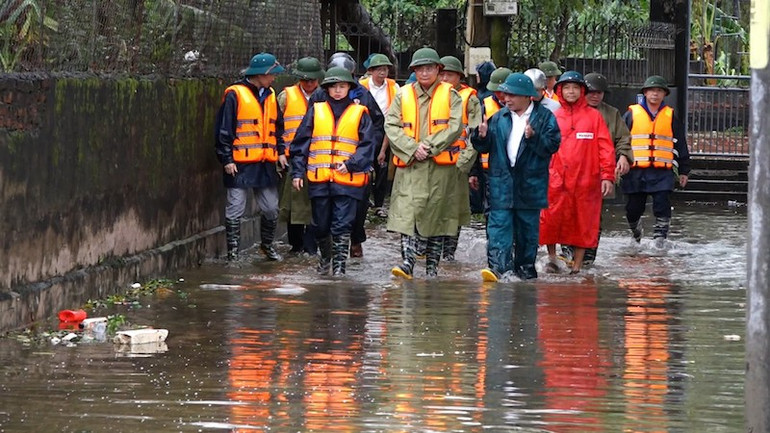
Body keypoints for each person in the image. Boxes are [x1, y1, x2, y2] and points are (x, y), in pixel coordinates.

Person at [471, 73, 561, 282]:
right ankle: (499, 270)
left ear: (526, 96)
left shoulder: (544, 118)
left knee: (527, 234)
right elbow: (483, 147)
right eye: (505, 95)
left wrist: (534, 137)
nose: (506, 99)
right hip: (501, 184)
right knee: (498, 228)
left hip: (530, 186)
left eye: (512, 95)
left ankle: (525, 271)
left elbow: (552, 146)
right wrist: (480, 136)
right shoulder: (498, 118)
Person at [385, 47, 463, 279]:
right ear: (414, 71)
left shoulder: (451, 95)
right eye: (420, 69)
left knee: (437, 216)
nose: (425, 73)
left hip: (439, 168)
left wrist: (428, 147)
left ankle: (431, 268)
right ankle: (407, 262)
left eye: (430, 68)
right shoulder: (403, 94)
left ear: (438, 70)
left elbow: (454, 126)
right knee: (406, 213)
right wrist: (412, 148)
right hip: (410, 164)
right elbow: (391, 125)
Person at [290, 67, 376, 275]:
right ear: (326, 89)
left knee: (342, 224)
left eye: (342, 86)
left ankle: (339, 268)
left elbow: (368, 145)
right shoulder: (316, 110)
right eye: (333, 87)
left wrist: (351, 164)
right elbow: (300, 143)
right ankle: (325, 259)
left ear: (349, 88)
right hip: (320, 178)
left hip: (348, 179)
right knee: (320, 225)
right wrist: (297, 172)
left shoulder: (360, 112)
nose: (337, 90)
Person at [538, 71, 616, 274]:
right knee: (551, 219)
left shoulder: (594, 117)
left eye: (575, 88)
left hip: (586, 181)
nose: (571, 92)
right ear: (559, 91)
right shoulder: (553, 116)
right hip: (555, 179)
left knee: (584, 221)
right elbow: (543, 147)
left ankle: (577, 267)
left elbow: (605, 148)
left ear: (581, 91)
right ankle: (553, 259)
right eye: (566, 88)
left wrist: (607, 176)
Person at [309, 52, 385, 258]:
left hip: (355, 165)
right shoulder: (319, 96)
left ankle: (356, 240)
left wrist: (365, 155)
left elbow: (376, 125)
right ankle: (326, 254)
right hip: (324, 168)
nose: (338, 89)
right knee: (322, 215)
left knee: (357, 208)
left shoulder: (363, 94)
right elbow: (310, 129)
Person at [215, 52, 286, 262]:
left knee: (271, 208)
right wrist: (226, 159)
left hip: (265, 162)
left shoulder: (271, 94)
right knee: (235, 207)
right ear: (261, 74)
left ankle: (266, 246)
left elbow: (277, 127)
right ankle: (233, 254)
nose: (274, 78)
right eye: (271, 74)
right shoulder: (234, 94)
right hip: (239, 163)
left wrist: (281, 152)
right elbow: (223, 129)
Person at [560, 72, 633, 266]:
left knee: (592, 217)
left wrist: (623, 156)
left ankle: (588, 257)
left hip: (597, 173)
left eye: (599, 93)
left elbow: (622, 138)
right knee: (565, 212)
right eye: (591, 92)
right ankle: (566, 252)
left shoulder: (611, 114)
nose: (595, 96)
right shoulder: (564, 112)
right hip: (568, 173)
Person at [622, 75, 690, 247]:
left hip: (662, 172)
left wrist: (684, 170)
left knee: (662, 205)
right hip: (636, 171)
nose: (655, 94)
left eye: (659, 91)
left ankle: (660, 239)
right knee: (633, 209)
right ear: (645, 92)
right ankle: (636, 231)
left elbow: (681, 143)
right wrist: (618, 161)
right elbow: (621, 140)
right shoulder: (631, 114)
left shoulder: (670, 115)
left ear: (664, 94)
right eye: (652, 90)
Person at [277, 57, 325, 256]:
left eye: (313, 80)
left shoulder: (326, 94)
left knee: (316, 203)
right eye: (306, 80)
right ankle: (295, 245)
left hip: (318, 157)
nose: (310, 83)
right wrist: (280, 152)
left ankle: (311, 245)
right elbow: (276, 124)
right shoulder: (286, 96)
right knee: (293, 204)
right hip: (292, 157)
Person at [438, 55, 482, 261]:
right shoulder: (432, 96)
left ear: (459, 77)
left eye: (450, 74)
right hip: (433, 161)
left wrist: (466, 163)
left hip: (457, 162)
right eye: (443, 74)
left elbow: (475, 133)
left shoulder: (470, 99)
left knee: (453, 207)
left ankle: (448, 252)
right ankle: (430, 250)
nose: (445, 78)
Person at [359, 54, 400, 219]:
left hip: (384, 129)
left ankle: (379, 204)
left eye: (385, 69)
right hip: (363, 128)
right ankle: (364, 199)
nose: (383, 72)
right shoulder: (361, 86)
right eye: (379, 69)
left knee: (382, 166)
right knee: (364, 165)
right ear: (371, 71)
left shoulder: (393, 87)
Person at [470, 67, 512, 214]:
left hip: (513, 168)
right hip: (489, 169)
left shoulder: (521, 107)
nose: (499, 95)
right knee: (492, 210)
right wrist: (473, 172)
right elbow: (474, 141)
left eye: (503, 91)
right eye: (496, 91)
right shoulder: (484, 106)